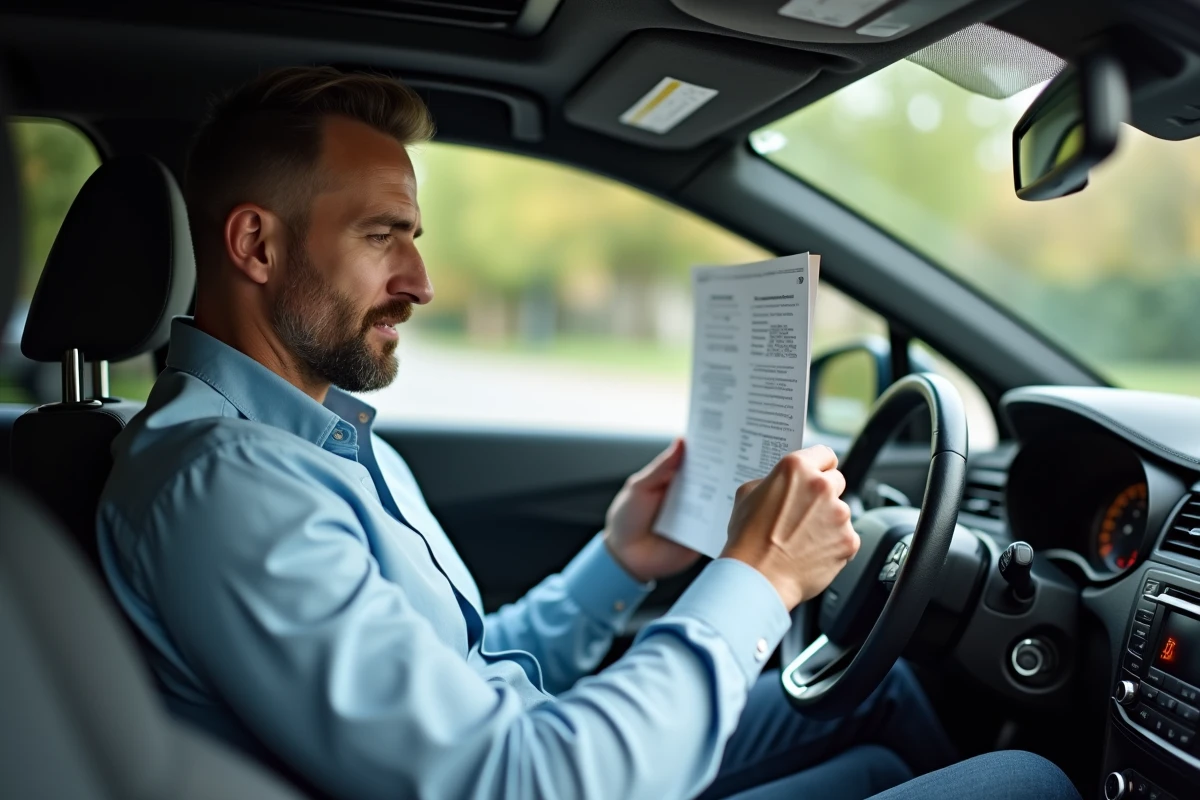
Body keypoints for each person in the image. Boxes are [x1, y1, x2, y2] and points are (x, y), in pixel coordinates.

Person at [97, 66, 1081, 800]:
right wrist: (762, 577)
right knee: (1026, 783)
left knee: (876, 709)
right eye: (381, 234)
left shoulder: (309, 440)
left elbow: (466, 673)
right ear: (256, 244)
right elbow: (521, 778)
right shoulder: (225, 485)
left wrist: (618, 560)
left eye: (414, 237)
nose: (421, 282)